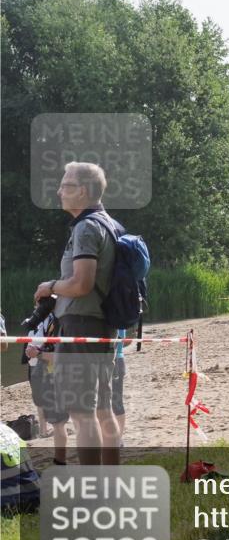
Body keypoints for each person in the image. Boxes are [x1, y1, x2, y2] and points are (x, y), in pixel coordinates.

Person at [33, 162, 120, 466]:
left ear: (82, 191)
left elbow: (82, 284)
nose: (59, 191)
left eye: (65, 185)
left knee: (82, 415)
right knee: (102, 410)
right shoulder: (110, 223)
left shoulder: (86, 227)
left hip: (81, 324)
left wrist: (50, 286)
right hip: (103, 326)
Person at [23, 310, 68, 463]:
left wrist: (39, 353)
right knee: (40, 398)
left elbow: (57, 352)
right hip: (38, 364)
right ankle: (44, 430)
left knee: (58, 415)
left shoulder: (56, 319)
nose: (37, 306)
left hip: (48, 365)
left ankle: (48, 432)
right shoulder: (37, 320)